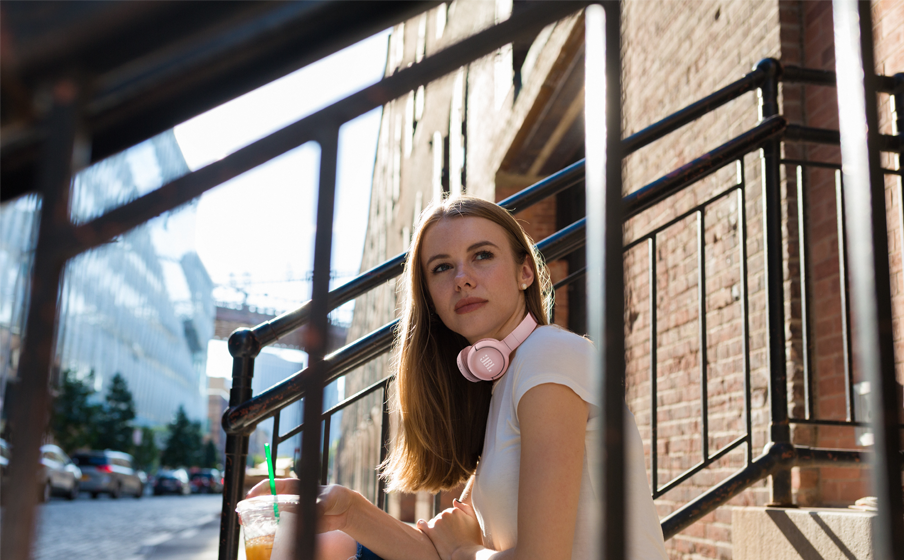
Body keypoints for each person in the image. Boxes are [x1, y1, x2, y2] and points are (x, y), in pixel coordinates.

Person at [248, 196, 668, 560]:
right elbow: (434, 550)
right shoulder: (504, 383)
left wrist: (463, 553)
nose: (462, 277)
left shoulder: (548, 357)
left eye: (482, 255)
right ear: (430, 297)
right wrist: (350, 510)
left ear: (526, 273)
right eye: (442, 267)